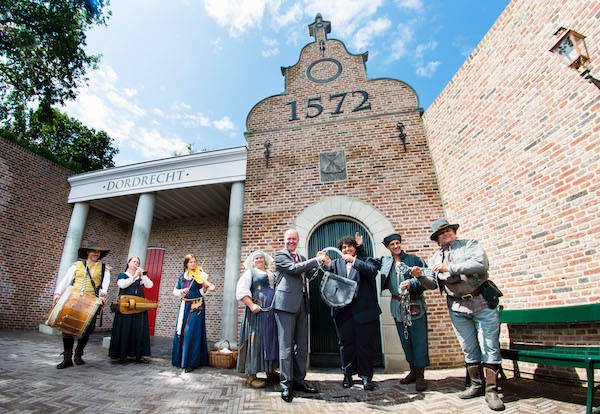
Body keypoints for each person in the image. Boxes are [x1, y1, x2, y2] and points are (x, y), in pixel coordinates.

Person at [428, 218, 505, 411]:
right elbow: (431, 282)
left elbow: (481, 263)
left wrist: (451, 268)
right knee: (468, 347)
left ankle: (492, 391)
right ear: (437, 238)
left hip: (481, 302)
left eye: (449, 230)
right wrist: (420, 276)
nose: (446, 234)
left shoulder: (470, 244)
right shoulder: (434, 258)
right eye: (442, 232)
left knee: (489, 346)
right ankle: (476, 385)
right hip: (457, 307)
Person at [365, 232, 437, 391]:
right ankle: (412, 371)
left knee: (419, 340)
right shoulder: (385, 261)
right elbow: (367, 261)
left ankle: (420, 376)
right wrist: (359, 247)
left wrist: (412, 282)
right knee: (405, 341)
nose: (396, 246)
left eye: (398, 243)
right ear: (388, 247)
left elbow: (429, 280)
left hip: (414, 303)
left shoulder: (414, 260)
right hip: (397, 305)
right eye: (392, 244)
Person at [273, 229, 330, 403]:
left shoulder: (302, 258)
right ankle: (286, 385)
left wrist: (319, 264)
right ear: (284, 240)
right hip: (285, 305)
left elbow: (308, 275)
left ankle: (299, 380)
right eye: (289, 238)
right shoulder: (279, 255)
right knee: (286, 347)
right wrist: (315, 260)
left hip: (302, 305)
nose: (291, 241)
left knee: (302, 347)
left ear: (298, 241)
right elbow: (293, 269)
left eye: (294, 239)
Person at [326, 235, 380, 391]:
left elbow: (372, 272)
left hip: (364, 312)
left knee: (365, 345)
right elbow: (327, 272)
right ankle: (347, 375)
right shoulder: (336, 263)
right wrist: (324, 261)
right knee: (345, 344)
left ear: (355, 248)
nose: (347, 249)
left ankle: (365, 377)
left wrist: (354, 261)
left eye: (350, 246)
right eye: (343, 247)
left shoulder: (365, 261)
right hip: (343, 312)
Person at [53, 243, 111, 369]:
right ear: (87, 253)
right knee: (67, 328)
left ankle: (78, 354)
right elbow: (66, 279)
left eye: (98, 252)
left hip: (92, 301)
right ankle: (67, 358)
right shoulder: (77, 266)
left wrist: (103, 294)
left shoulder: (104, 268)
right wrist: (57, 293)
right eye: (93, 251)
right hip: (74, 299)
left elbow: (105, 284)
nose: (96, 254)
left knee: (86, 330)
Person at [236, 250, 279, 388]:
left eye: (261, 257)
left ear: (265, 260)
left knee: (271, 339)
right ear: (252, 261)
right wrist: (251, 305)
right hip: (257, 311)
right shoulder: (250, 273)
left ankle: (270, 370)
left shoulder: (272, 274)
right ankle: (251, 375)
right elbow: (241, 291)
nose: (259, 259)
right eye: (256, 258)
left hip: (271, 311)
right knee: (256, 339)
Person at [108, 256, 153, 363]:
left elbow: (150, 285)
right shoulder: (122, 275)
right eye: (134, 262)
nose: (136, 264)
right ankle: (122, 354)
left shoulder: (139, 277)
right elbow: (122, 285)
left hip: (138, 306)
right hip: (125, 306)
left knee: (138, 329)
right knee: (124, 328)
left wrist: (143, 276)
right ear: (128, 263)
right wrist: (134, 277)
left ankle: (138, 354)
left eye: (138, 262)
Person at [172, 254, 210, 373]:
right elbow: (175, 291)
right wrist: (181, 291)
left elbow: (203, 293)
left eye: (194, 262)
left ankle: (191, 362)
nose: (193, 264)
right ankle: (180, 359)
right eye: (191, 262)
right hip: (184, 306)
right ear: (186, 264)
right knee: (182, 331)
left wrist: (204, 288)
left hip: (196, 306)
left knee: (191, 332)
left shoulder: (200, 277)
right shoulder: (182, 278)